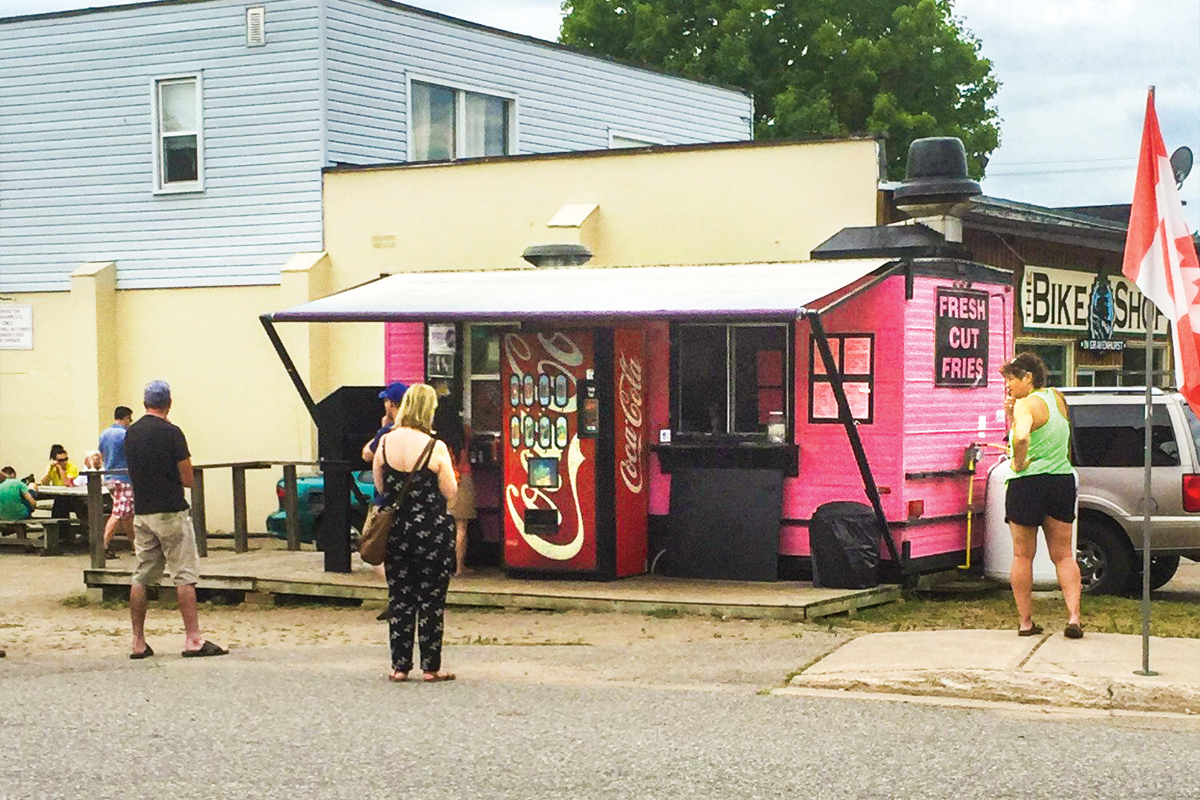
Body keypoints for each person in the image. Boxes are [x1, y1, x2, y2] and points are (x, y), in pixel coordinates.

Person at [124, 380, 227, 660]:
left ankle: (138, 642)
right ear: (169, 402)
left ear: (145, 403)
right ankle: (193, 639)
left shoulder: (131, 433)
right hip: (170, 509)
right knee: (183, 575)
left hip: (142, 511)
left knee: (142, 574)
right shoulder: (172, 433)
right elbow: (187, 478)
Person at [373, 383, 458, 683]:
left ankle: (399, 666)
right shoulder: (436, 447)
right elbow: (451, 491)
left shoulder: (383, 444)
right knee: (431, 600)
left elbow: (381, 488)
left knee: (400, 599)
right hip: (432, 532)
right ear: (429, 410)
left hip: (397, 531)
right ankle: (431, 667)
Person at [1001, 352, 1083, 639]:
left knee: (1022, 555)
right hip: (1060, 480)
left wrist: (1019, 461)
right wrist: (1011, 415)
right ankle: (1074, 616)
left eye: (1011, 379)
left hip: (1027, 484)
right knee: (1063, 555)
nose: (1007, 385)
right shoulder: (1057, 398)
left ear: (1028, 378)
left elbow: (1022, 436)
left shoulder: (1026, 405)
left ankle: (1025, 622)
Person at [433, 395, 475, 576]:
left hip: (440, 479)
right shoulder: (464, 431)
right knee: (461, 527)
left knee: (439, 526)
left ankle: (440, 566)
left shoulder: (434, 435)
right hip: (462, 477)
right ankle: (459, 568)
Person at [98, 406, 135, 559]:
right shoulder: (125, 434)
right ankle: (103, 545)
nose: (130, 422)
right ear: (125, 417)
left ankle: (135, 545)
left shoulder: (104, 434)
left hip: (109, 477)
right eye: (130, 419)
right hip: (124, 477)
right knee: (119, 513)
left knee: (127, 513)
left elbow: (101, 454)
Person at [361, 381, 408, 464]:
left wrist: (382, 430)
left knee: (362, 476)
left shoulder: (388, 429)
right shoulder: (415, 425)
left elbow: (367, 455)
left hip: (392, 474)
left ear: (391, 404)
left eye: (385, 401)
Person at [40, 445, 86, 520]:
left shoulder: (71, 465)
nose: (64, 462)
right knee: (59, 503)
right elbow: (45, 483)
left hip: (73, 496)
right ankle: (59, 527)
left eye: (66, 459)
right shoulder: (52, 468)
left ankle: (63, 527)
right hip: (59, 495)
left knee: (61, 503)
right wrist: (48, 472)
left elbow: (67, 483)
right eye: (61, 460)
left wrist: (60, 468)